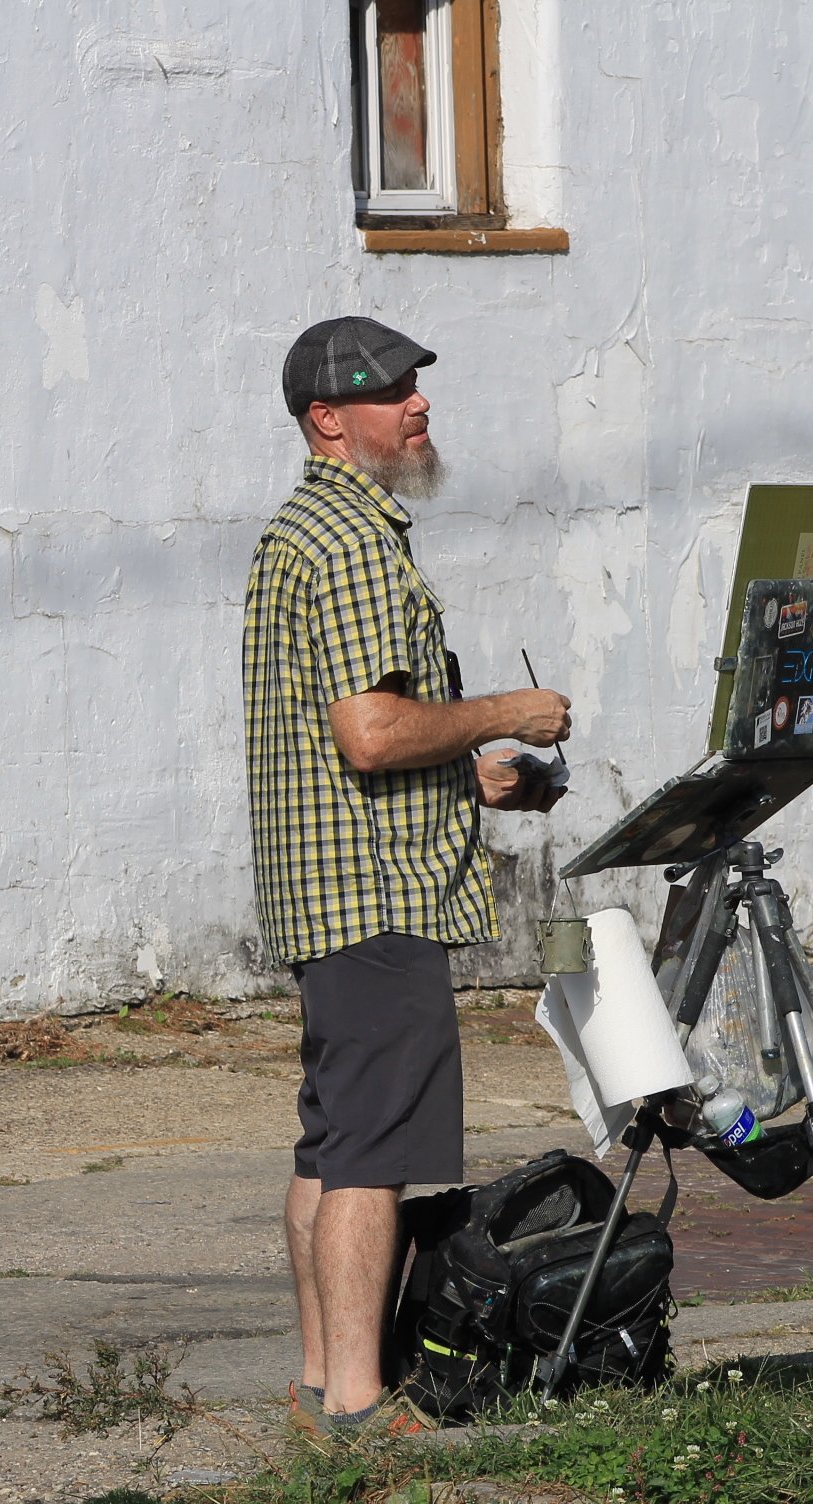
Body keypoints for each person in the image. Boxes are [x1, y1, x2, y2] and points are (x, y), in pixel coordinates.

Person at [242, 316, 574, 1433]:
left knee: (335, 1147)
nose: (417, 402)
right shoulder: (350, 542)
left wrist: (475, 778)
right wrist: (508, 710)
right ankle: (357, 1404)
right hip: (378, 898)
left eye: (416, 384)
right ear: (329, 419)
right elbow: (373, 733)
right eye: (389, 390)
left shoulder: (306, 529)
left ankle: (316, 1385)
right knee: (372, 1158)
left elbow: (346, 737)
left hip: (332, 889)